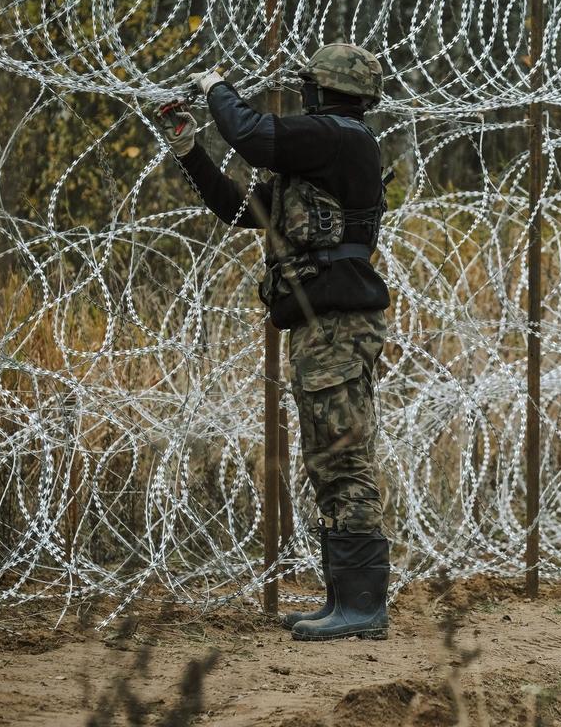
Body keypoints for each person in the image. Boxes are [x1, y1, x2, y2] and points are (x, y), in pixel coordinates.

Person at [155, 44, 391, 641]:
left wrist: (215, 85)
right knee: (327, 457)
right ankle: (346, 602)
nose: (303, 96)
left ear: (326, 91)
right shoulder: (320, 159)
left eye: (309, 87)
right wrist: (189, 149)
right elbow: (240, 209)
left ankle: (363, 606)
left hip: (337, 323)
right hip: (320, 322)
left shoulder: (340, 137)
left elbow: (254, 135)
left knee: (343, 456)